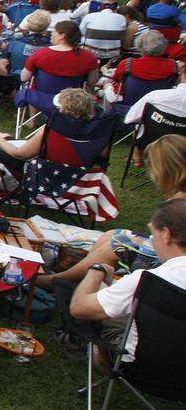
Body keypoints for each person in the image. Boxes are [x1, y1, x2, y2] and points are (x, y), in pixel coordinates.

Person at [40, 135, 186, 291]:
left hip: (175, 259)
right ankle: (80, 276)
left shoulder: (180, 200)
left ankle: (56, 280)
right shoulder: (179, 194)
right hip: (170, 244)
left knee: (114, 246)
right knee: (110, 235)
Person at [69, 194, 186, 363]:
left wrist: (96, 270)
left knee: (103, 294)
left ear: (166, 235)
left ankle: (95, 355)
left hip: (143, 369)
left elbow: (79, 308)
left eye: (153, 236)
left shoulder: (148, 280)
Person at [20, 19, 99, 89]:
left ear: (62, 36)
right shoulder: (90, 57)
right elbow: (92, 83)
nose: (51, 34)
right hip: (72, 102)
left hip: (40, 100)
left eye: (54, 32)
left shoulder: (40, 54)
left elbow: (24, 78)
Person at [105, 31, 177, 105]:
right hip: (158, 109)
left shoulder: (128, 63)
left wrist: (107, 84)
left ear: (140, 47)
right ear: (163, 47)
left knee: (107, 84)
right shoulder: (173, 65)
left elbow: (116, 80)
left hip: (129, 107)